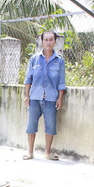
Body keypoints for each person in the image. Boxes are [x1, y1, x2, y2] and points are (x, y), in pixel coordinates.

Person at [23, 30, 67, 161]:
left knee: (51, 126)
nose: (48, 42)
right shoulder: (34, 59)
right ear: (42, 42)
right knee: (31, 125)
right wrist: (27, 95)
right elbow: (28, 79)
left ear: (55, 42)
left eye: (51, 40)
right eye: (46, 40)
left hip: (51, 99)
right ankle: (30, 152)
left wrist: (59, 98)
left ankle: (47, 152)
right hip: (35, 98)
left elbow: (61, 81)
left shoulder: (59, 61)